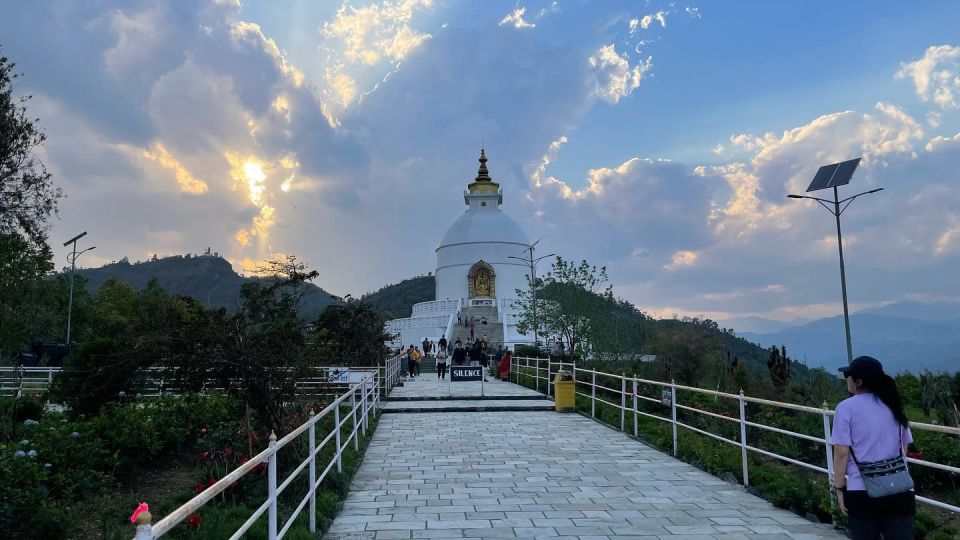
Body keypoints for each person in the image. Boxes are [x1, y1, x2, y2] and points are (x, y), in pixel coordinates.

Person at [832, 356, 915, 540]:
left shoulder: (846, 408)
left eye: (849, 375)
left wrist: (838, 488)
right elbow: (904, 447)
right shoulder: (893, 403)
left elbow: (841, 452)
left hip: (862, 491)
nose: (847, 379)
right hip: (900, 489)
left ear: (858, 381)